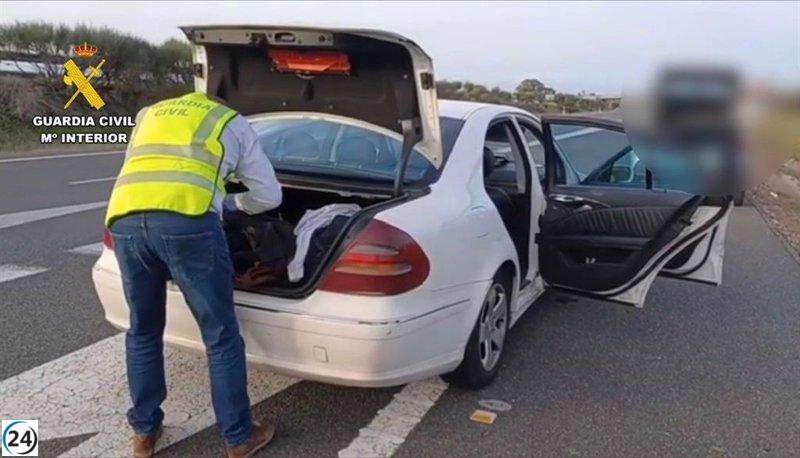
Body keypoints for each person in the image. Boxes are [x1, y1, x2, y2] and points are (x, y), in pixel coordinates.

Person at [104, 92, 282, 458]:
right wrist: (231, 202)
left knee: (143, 329)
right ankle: (238, 437)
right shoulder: (231, 121)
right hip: (188, 223)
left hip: (124, 220)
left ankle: (143, 433)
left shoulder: (149, 112)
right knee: (220, 335)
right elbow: (269, 196)